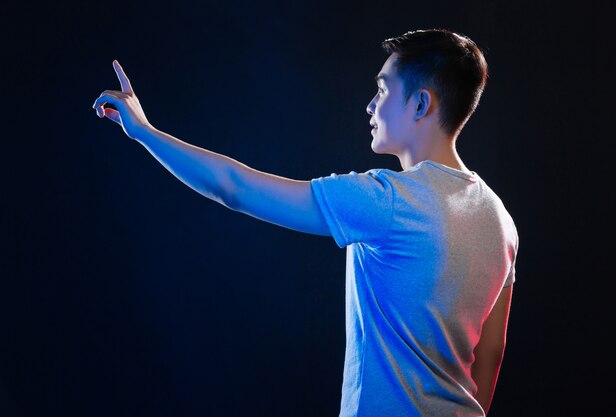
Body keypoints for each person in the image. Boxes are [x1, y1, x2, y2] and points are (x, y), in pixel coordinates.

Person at [92, 28, 519, 417]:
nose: (370, 105)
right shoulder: (501, 220)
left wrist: (144, 131)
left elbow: (233, 188)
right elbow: (492, 354)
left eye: (383, 90)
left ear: (421, 102)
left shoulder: (387, 200)